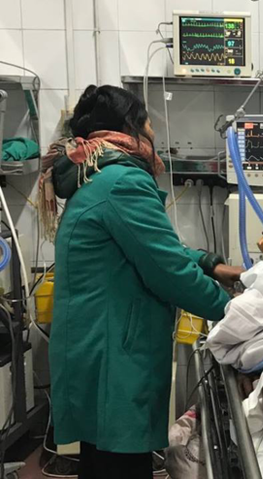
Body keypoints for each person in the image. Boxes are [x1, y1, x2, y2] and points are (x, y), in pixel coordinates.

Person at [38, 85, 242, 479]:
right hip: (115, 353)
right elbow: (167, 270)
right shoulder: (122, 181)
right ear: (130, 127)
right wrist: (236, 311)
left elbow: (151, 247)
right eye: (148, 123)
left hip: (95, 343)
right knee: (121, 466)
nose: (153, 132)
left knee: (101, 461)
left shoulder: (96, 175)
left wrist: (211, 265)